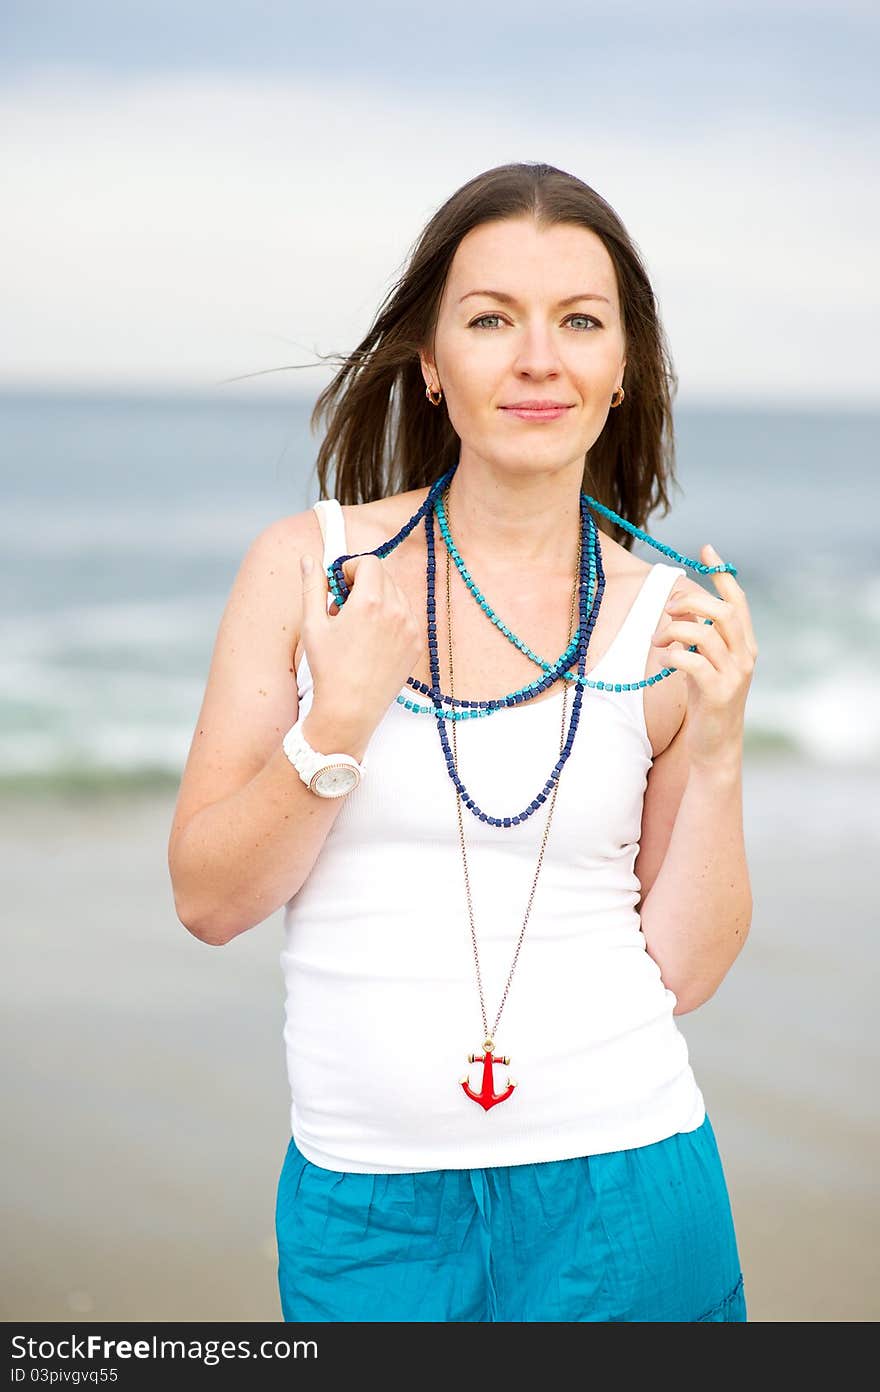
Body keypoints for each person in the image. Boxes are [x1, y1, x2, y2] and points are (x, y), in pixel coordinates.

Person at [167, 162, 757, 1323]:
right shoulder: (310, 571)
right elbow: (209, 900)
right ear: (432, 366)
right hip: (366, 1213)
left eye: (579, 322)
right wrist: (335, 724)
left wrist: (724, 746)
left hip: (630, 1188)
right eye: (491, 320)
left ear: (620, 364)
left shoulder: (675, 615)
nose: (538, 357)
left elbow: (682, 971)